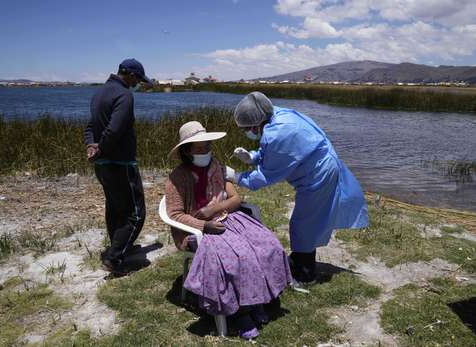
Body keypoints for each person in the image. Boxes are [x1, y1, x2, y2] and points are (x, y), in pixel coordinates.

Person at [165, 121, 292, 340]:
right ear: (187, 151)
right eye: (199, 148)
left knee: (267, 245)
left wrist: (213, 209)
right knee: (238, 257)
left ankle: (258, 300)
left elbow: (235, 198)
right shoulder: (177, 177)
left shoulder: (217, 166)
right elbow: (175, 214)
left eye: (207, 146)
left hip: (226, 218)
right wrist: (204, 224)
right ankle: (240, 313)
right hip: (197, 229)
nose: (205, 151)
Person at [226, 92, 369, 283]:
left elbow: (266, 175)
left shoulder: (279, 132)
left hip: (318, 174)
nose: (247, 132)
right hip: (320, 165)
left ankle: (305, 273)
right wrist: (253, 156)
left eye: (247, 129)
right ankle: (301, 259)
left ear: (254, 124)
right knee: (307, 220)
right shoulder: (278, 115)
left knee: (304, 223)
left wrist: (236, 177)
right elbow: (272, 150)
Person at [84, 58, 152, 273]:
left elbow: (89, 126)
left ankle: (119, 248)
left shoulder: (100, 93)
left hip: (103, 164)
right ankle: (114, 259)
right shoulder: (124, 95)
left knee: (115, 209)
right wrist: (101, 148)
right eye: (138, 79)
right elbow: (114, 129)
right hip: (120, 162)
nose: (138, 84)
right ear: (130, 75)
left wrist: (92, 147)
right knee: (135, 213)